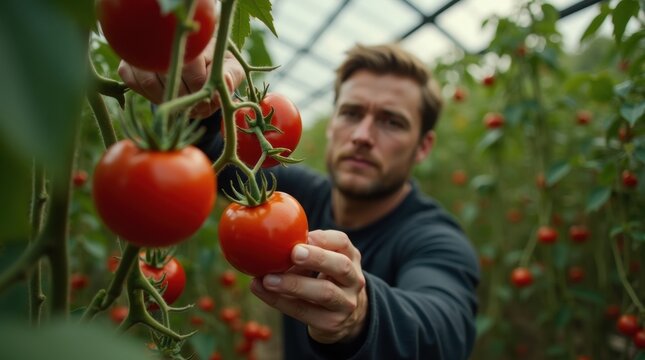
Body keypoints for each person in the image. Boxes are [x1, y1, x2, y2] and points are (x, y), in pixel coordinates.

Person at [120, 41, 480, 360]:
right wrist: (193, 85)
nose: (362, 136)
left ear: (424, 146)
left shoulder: (437, 239)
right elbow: (209, 154)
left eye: (392, 122)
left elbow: (445, 329)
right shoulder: (289, 196)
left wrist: (363, 316)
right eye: (351, 113)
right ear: (333, 121)